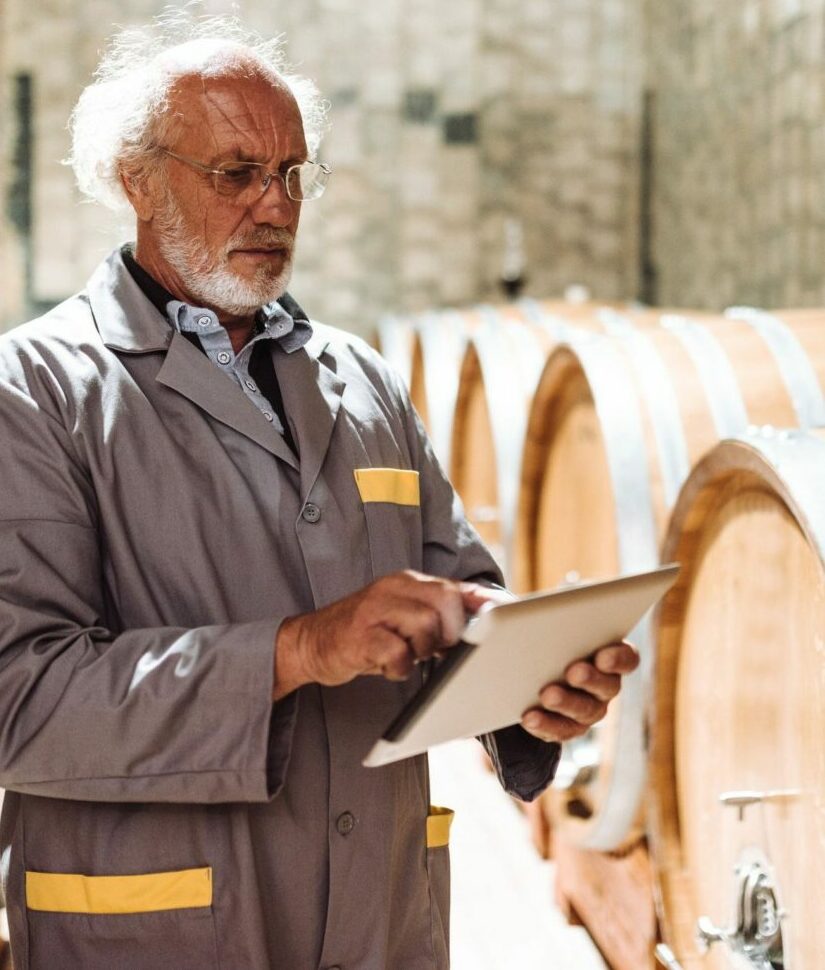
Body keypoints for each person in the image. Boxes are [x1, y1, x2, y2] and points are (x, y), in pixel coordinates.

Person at [0, 13, 639, 970]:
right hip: (158, 932)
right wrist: (299, 650)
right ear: (137, 180)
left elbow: (460, 603)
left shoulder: (363, 379)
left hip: (382, 925)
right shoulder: (34, 389)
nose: (276, 205)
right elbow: (21, 700)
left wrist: (528, 686)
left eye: (292, 173)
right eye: (237, 173)